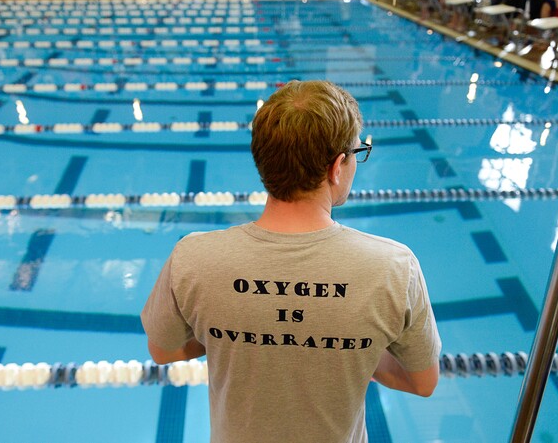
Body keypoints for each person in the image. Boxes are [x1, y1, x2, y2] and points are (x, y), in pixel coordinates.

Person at [141, 80, 442, 443]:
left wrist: (231, 335)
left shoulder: (192, 257)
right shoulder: (394, 267)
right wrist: (357, 348)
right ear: (336, 167)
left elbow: (163, 350)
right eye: (356, 153)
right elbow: (423, 382)